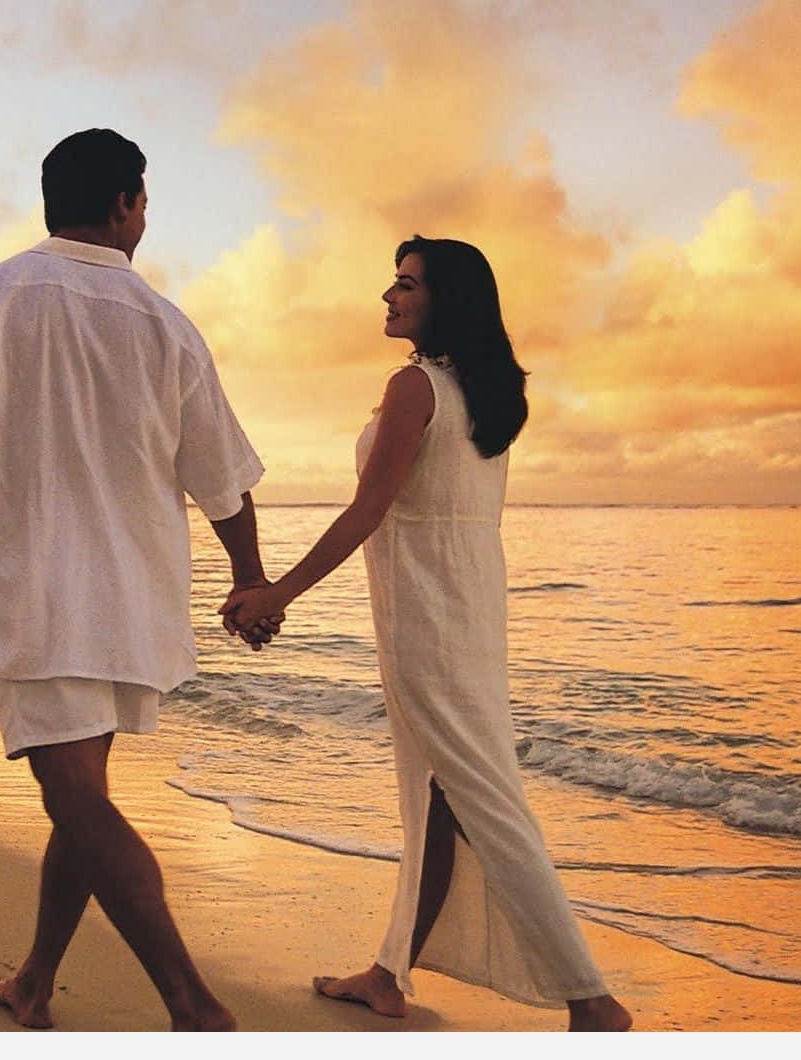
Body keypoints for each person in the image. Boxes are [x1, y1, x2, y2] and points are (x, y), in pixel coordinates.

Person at [0, 128, 277, 1032]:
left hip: (36, 598)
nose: (143, 217)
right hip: (133, 602)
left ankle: (194, 1006)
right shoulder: (168, 325)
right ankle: (35, 983)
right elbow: (220, 478)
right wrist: (249, 579)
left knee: (74, 796)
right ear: (123, 204)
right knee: (82, 795)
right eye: (143, 201)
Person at [223, 237, 632, 1031]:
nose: (388, 294)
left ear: (446, 299)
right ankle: (388, 972)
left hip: (428, 612)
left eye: (406, 284)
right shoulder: (481, 390)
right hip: (468, 604)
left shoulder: (413, 386)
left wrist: (277, 592)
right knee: (439, 797)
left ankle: (592, 1000)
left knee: (480, 796)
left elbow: (368, 510)